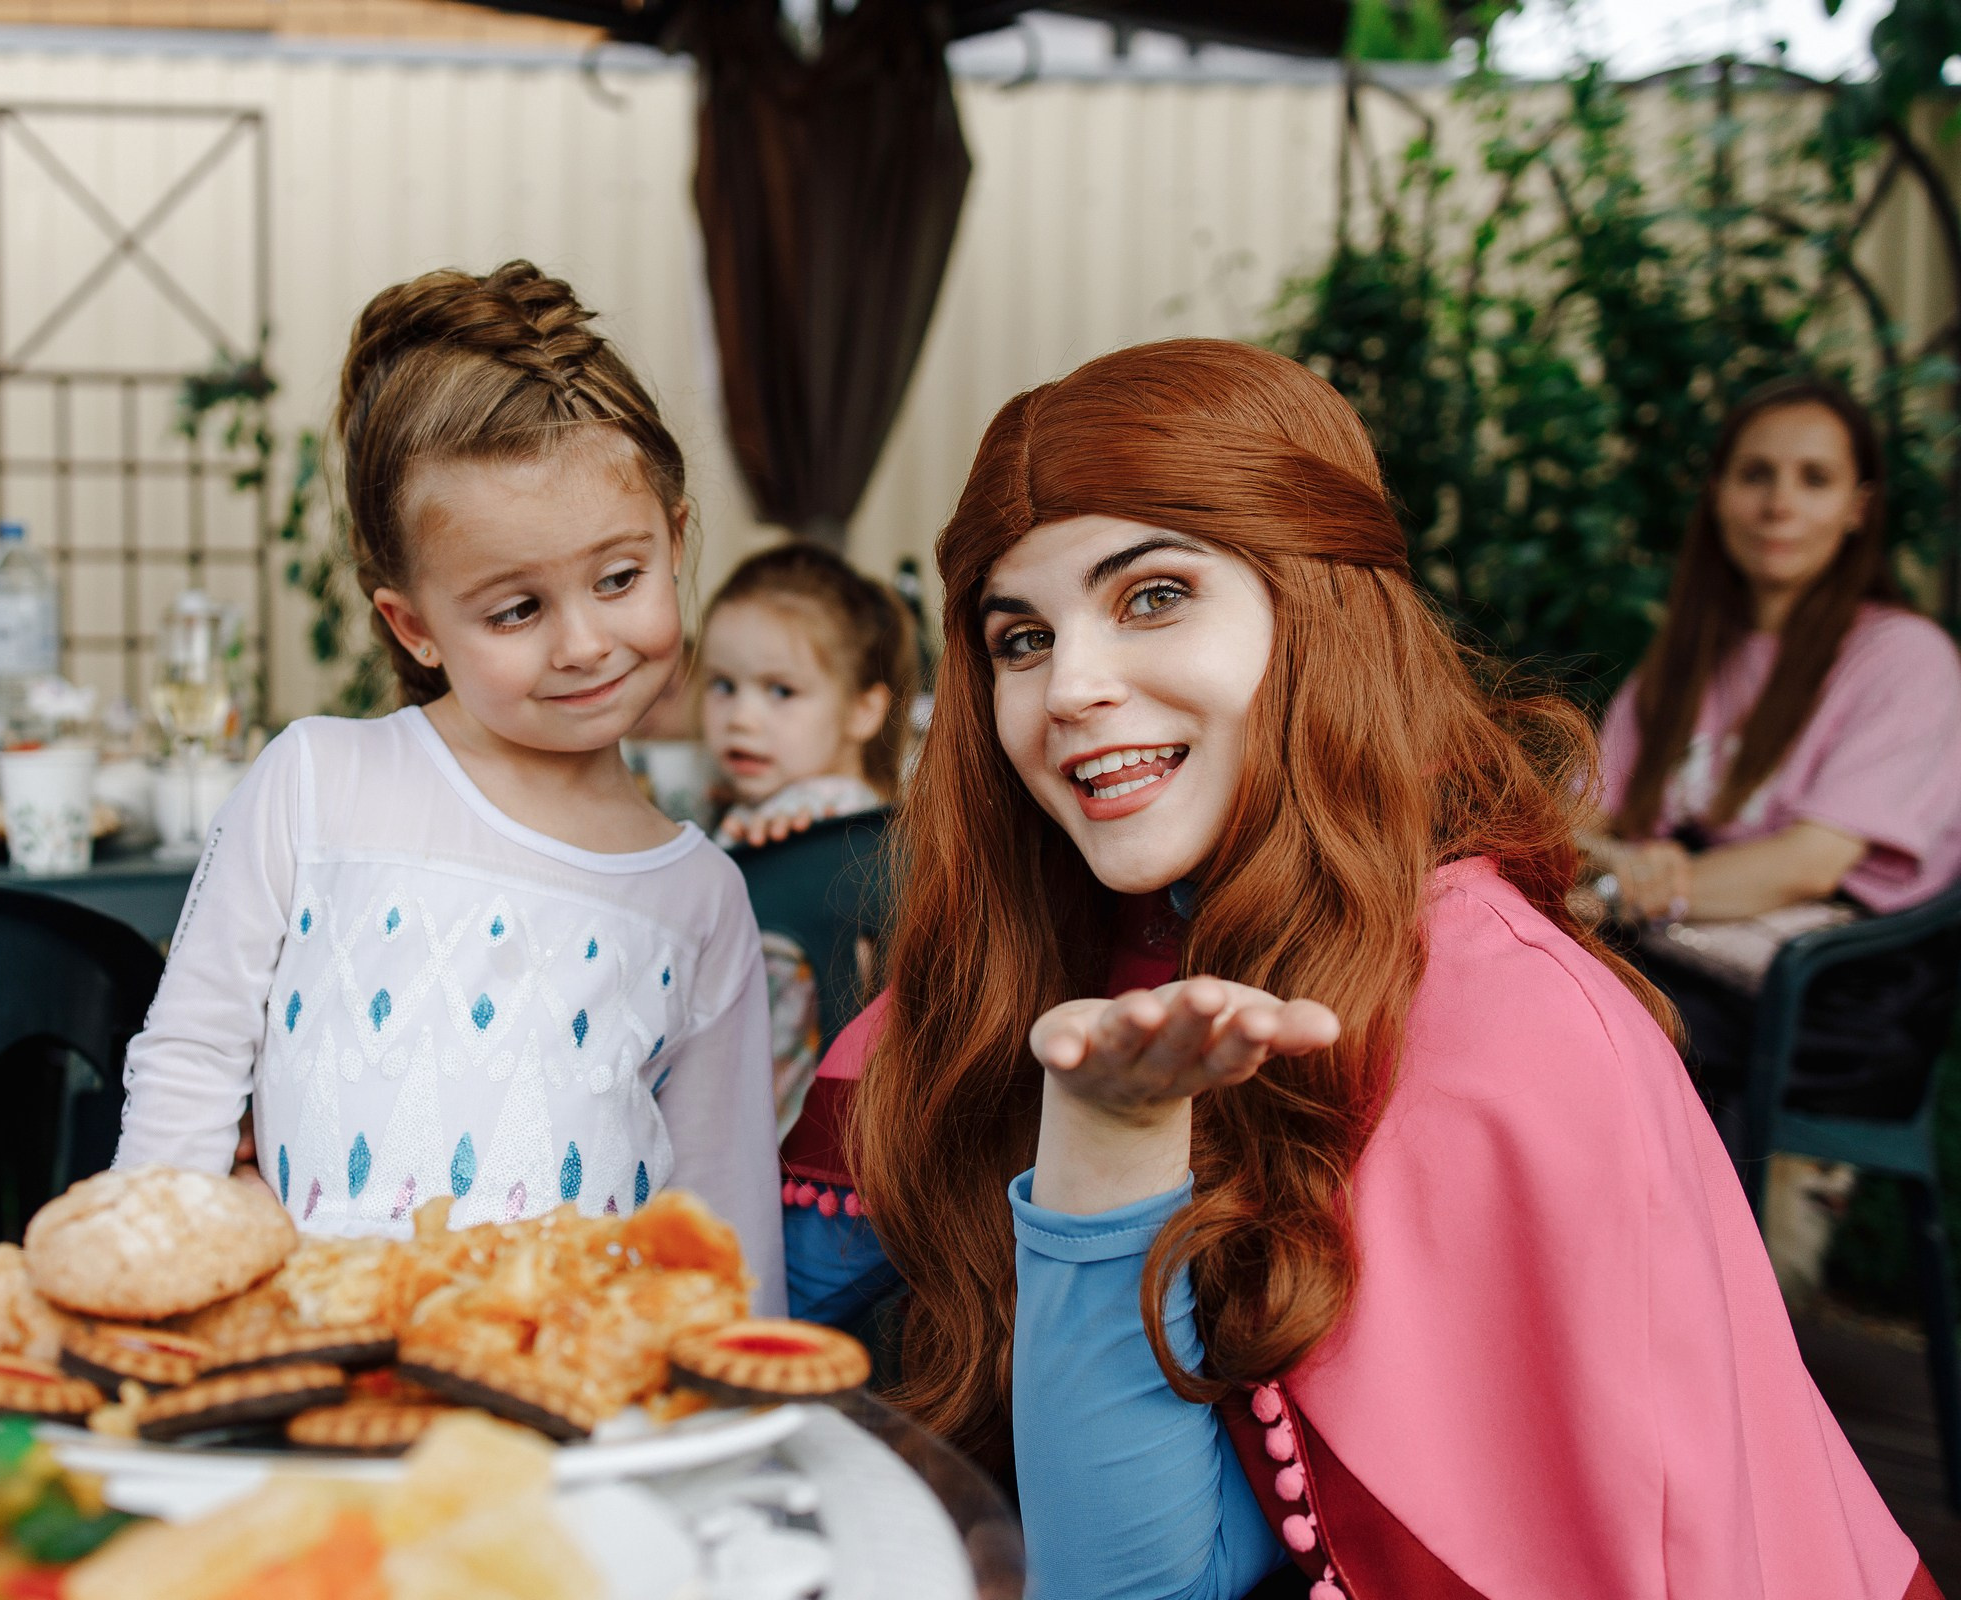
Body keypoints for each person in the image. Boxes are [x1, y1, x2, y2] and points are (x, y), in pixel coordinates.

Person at [823, 340, 1928, 1598]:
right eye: (1019, 637)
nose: (1070, 685)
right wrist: (1106, 1141)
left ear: (1319, 609)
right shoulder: (1047, 959)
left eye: (1153, 596)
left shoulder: (1508, 1026)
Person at [112, 261, 784, 1312]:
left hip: (562, 1416)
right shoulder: (318, 785)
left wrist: (741, 1418)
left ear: (676, 541)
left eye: (620, 578)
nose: (585, 643)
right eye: (516, 609)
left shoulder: (699, 900)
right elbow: (193, 1058)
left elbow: (724, 1216)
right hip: (300, 1378)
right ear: (413, 625)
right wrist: (147, 1303)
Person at [1587, 378, 1961, 1120]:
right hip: (1687, 962)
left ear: (1858, 507)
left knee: (1569, 1010)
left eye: (1813, 479)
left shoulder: (1904, 660)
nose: (1778, 504)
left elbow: (1810, 865)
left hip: (1830, 1005)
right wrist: (1627, 863)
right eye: (1756, 474)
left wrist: (1622, 888)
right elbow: (1576, 821)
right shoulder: (1685, 662)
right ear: (1719, 493)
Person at [696, 542, 913, 1326]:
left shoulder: (870, 855)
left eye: (781, 690)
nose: (742, 715)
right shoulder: (744, 839)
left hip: (826, 1221)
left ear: (864, 708)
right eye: (722, 685)